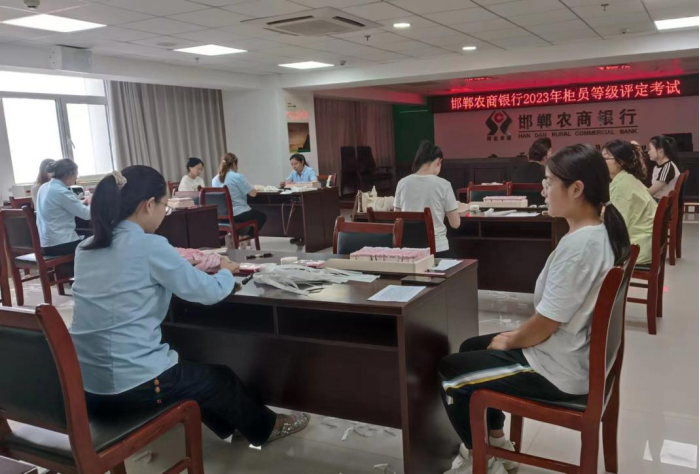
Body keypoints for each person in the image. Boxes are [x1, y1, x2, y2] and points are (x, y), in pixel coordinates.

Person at [70, 165, 309, 448]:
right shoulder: (149, 246)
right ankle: (266, 429)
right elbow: (208, 293)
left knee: (193, 369)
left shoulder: (86, 248)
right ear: (148, 205)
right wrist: (226, 270)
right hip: (134, 386)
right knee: (220, 379)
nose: (164, 213)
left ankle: (234, 425)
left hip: (89, 389)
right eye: (165, 206)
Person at [439, 144, 631, 474]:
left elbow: (546, 323)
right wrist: (511, 337)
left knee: (451, 373)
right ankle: (498, 444)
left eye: (548, 182)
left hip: (558, 369)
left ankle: (482, 459)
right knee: (471, 347)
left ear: (576, 189)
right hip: (571, 354)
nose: (543, 190)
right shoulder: (596, 232)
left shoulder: (579, 247)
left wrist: (511, 339)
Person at [394, 140, 461, 258]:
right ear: (439, 161)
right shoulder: (443, 184)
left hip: (409, 250)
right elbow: (455, 224)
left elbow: (397, 218)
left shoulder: (402, 183)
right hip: (438, 250)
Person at [603, 139, 657, 265]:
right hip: (645, 242)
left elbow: (618, 228)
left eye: (606, 158)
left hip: (637, 248)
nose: (601, 162)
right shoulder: (626, 178)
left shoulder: (621, 186)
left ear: (620, 162)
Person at [36, 159, 91, 257]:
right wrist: (91, 202)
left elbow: (61, 205)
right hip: (62, 244)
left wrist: (82, 202)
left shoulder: (44, 187)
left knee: (89, 233)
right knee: (100, 237)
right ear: (69, 174)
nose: (76, 177)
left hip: (46, 245)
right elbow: (87, 215)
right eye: (76, 174)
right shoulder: (61, 191)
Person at [212, 153, 267, 246]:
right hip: (238, 214)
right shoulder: (237, 176)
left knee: (245, 215)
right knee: (261, 216)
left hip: (221, 216)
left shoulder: (214, 179)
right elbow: (253, 194)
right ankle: (246, 237)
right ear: (234, 164)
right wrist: (253, 187)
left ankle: (232, 236)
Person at [648, 135, 681, 199]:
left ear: (660, 150)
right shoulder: (657, 167)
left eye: (650, 148)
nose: (648, 152)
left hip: (660, 202)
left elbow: (650, 192)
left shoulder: (667, 168)